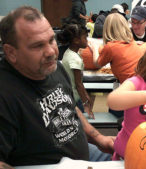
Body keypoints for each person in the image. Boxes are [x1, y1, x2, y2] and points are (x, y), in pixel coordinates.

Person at [0, 6, 114, 167]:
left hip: (86, 154)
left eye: (51, 40)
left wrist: (99, 138)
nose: (51, 52)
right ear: (11, 52)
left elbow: (71, 107)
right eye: (37, 46)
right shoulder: (5, 95)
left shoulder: (54, 67)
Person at [91, 13, 146, 118]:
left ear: (107, 29)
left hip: (129, 91)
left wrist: (94, 48)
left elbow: (97, 64)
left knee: (115, 111)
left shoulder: (110, 47)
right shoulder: (132, 42)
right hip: (141, 87)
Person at [57, 24, 94, 119]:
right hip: (75, 98)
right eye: (85, 37)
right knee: (81, 121)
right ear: (76, 40)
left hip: (70, 95)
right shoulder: (74, 59)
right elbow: (78, 84)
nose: (87, 40)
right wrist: (86, 102)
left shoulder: (69, 52)